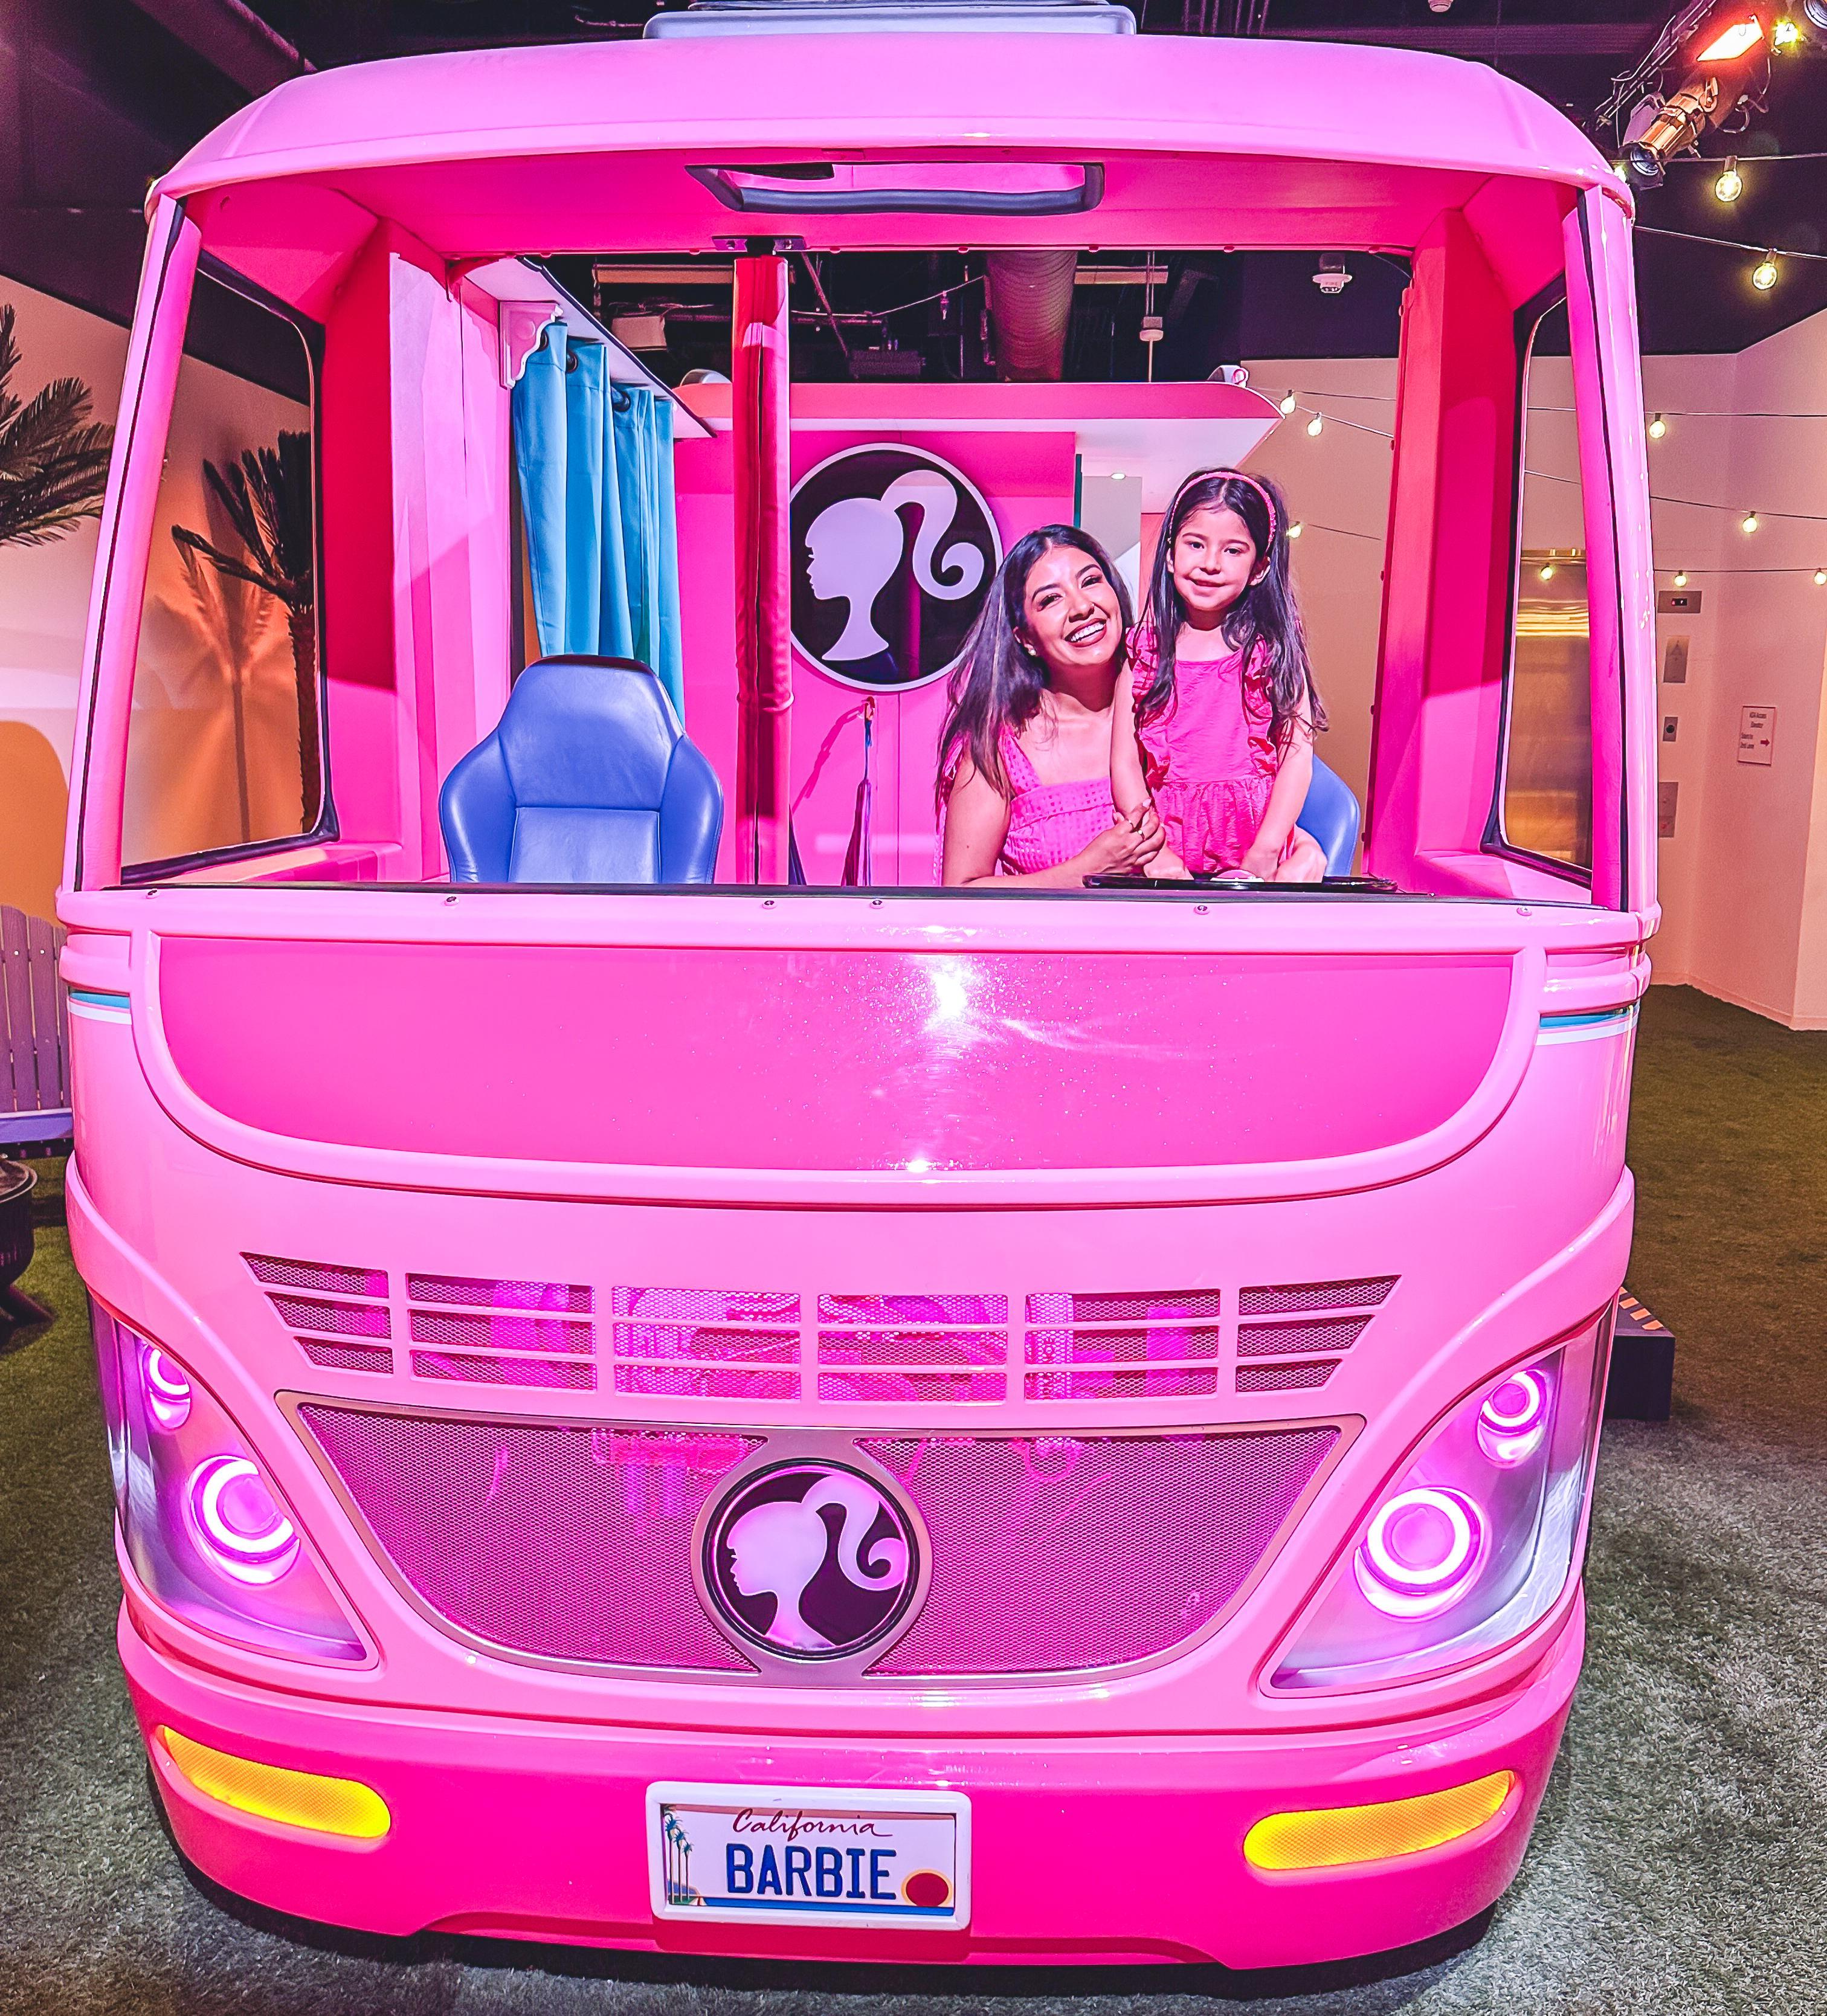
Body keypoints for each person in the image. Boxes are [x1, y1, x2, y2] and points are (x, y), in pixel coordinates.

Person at [1112, 469, 1328, 882]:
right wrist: (1153, 850)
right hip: (1167, 853)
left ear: (1261, 566)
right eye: (1196, 544)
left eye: (1233, 550)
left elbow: (1297, 756)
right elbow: (1124, 762)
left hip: (1258, 855)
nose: (1210, 563)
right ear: (1172, 554)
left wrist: (1266, 850)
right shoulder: (1144, 651)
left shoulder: (1273, 650)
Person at [936, 525, 1166, 886]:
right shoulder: (999, 745)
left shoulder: (1172, 708)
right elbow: (963, 890)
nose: (1081, 607)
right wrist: (1082, 873)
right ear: (1025, 638)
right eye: (1050, 600)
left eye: (1090, 581)